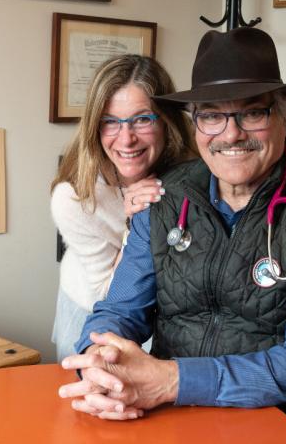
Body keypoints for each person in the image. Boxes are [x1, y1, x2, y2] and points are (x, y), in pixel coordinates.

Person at [58, 27, 286, 444]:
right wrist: (99, 364)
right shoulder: (166, 198)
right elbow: (118, 311)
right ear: (196, 122)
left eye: (252, 113)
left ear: (284, 115)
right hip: (176, 422)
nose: (231, 133)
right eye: (212, 115)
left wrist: (171, 380)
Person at [49, 54, 196, 363]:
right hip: (93, 310)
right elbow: (108, 294)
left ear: (166, 120)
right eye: (109, 122)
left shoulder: (192, 169)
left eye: (142, 119)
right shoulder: (75, 197)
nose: (126, 139)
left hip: (168, 314)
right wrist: (134, 223)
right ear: (94, 126)